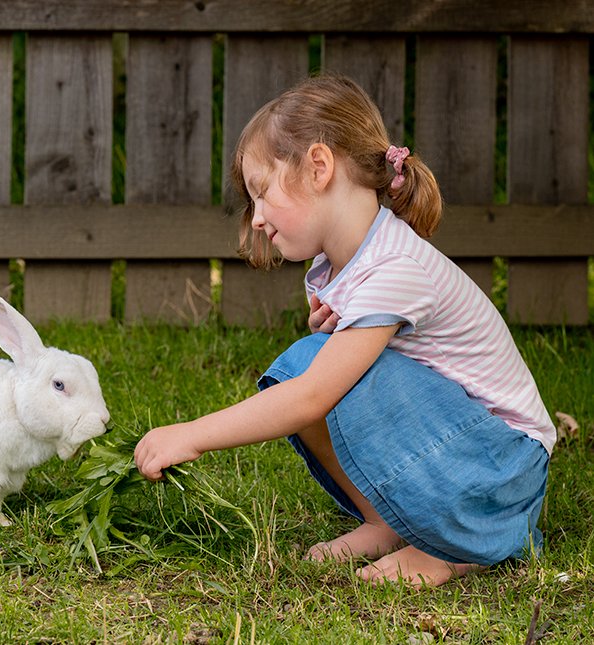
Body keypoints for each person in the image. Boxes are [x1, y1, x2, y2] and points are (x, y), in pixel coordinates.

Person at [133, 75, 555, 587]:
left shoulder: (394, 266)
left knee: (315, 377)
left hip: (502, 468)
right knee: (306, 361)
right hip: (469, 449)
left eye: (262, 193)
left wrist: (192, 435)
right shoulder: (348, 264)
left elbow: (311, 398)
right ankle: (388, 521)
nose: (258, 217)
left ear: (318, 166)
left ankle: (454, 544)